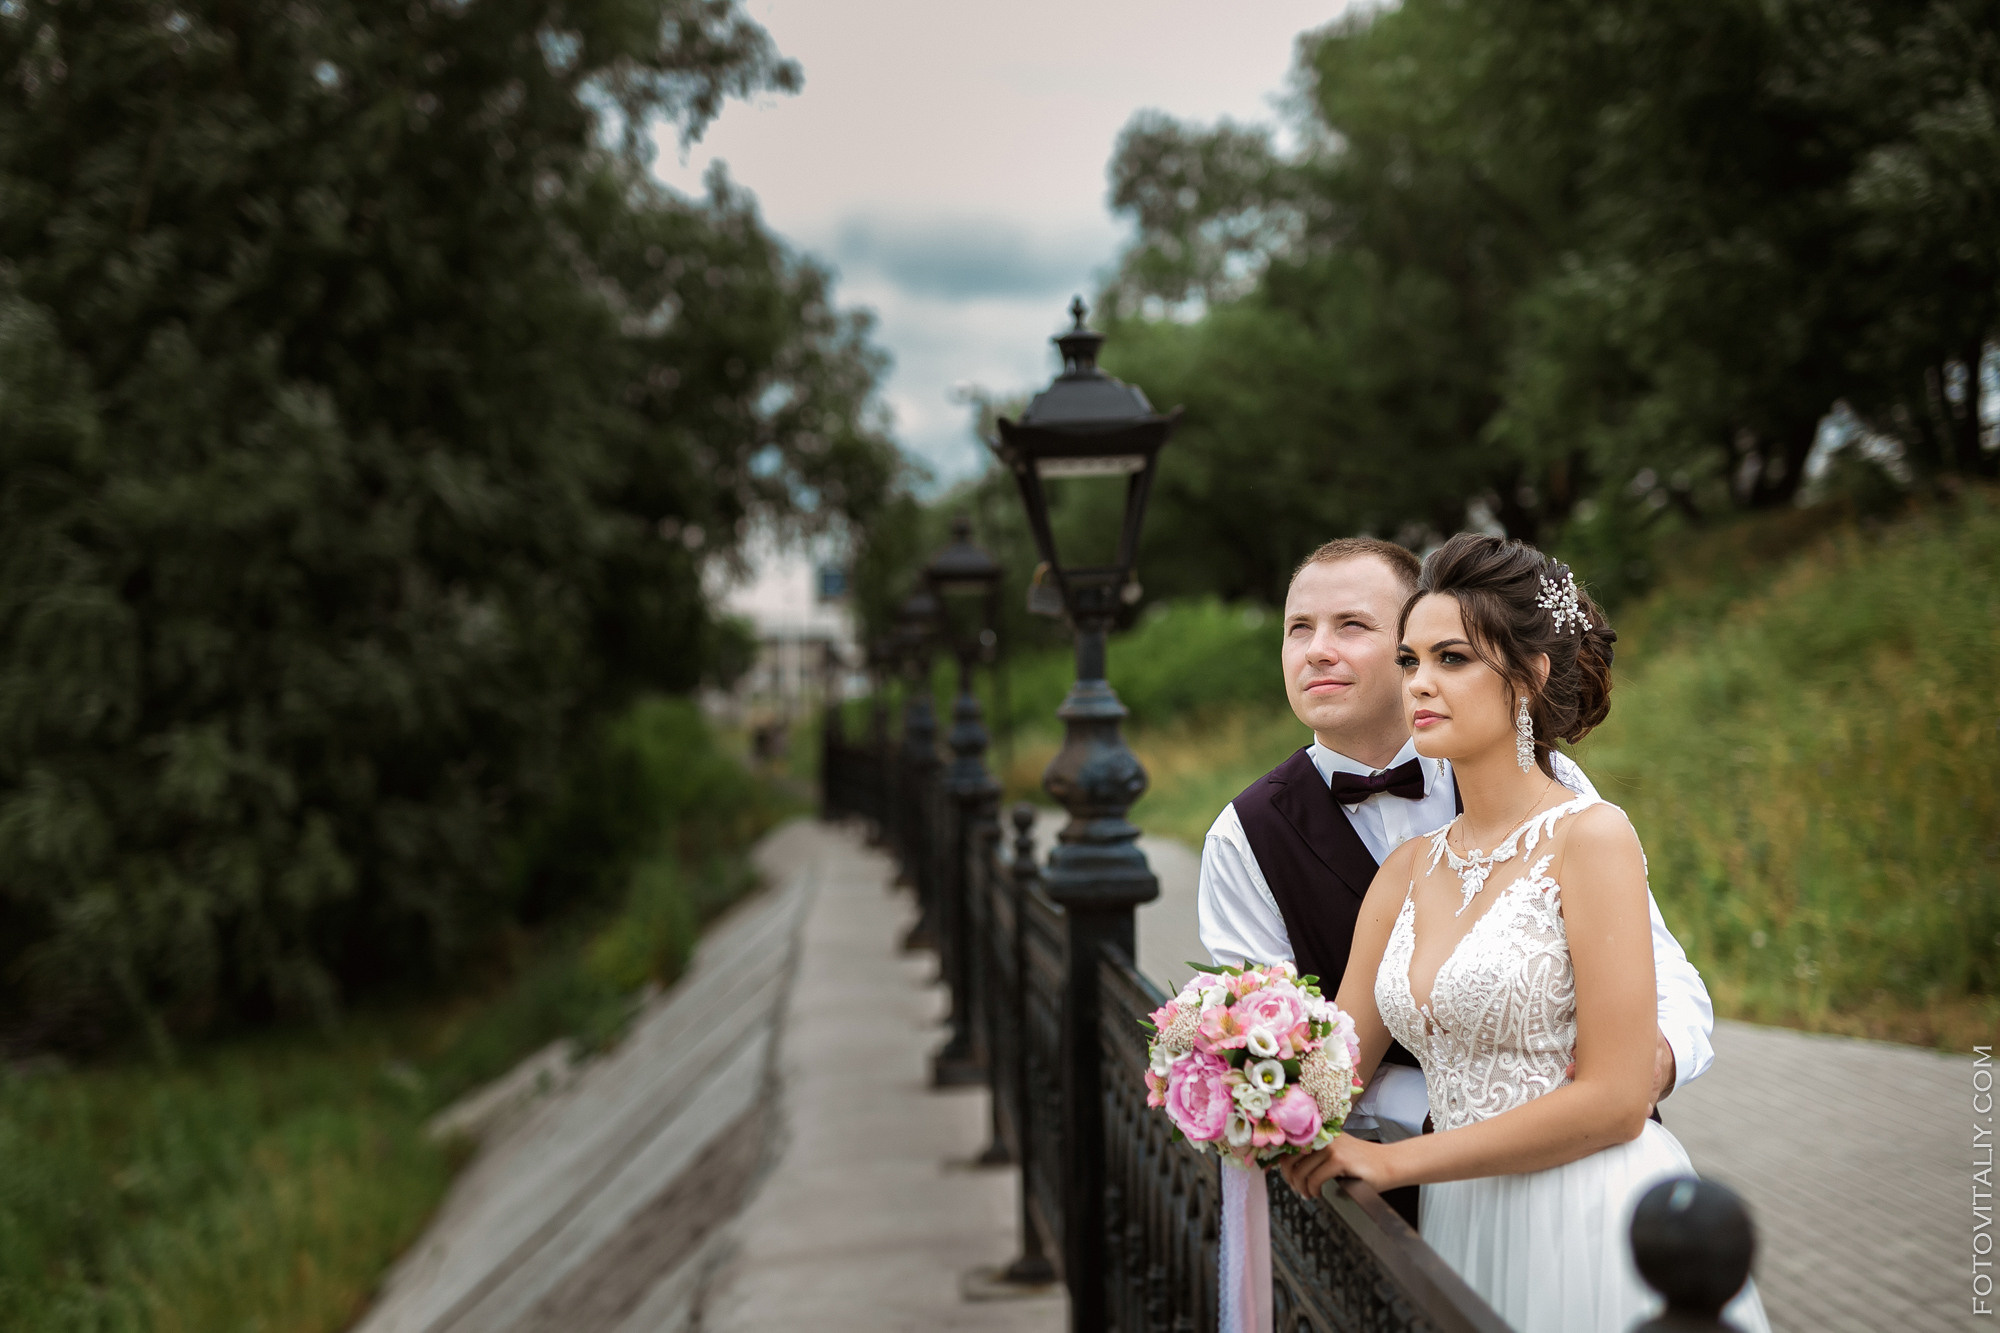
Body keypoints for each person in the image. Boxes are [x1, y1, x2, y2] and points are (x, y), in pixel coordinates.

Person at [1195, 537, 1714, 1333]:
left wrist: (1656, 1057)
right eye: (1412, 660)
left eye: (1450, 656)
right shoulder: (1396, 871)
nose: (1421, 683)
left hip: (1587, 1199)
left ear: (1529, 676)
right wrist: (1218, 1079)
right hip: (1457, 1217)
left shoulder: (1584, 822)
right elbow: (1328, 1068)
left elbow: (1632, 1048)